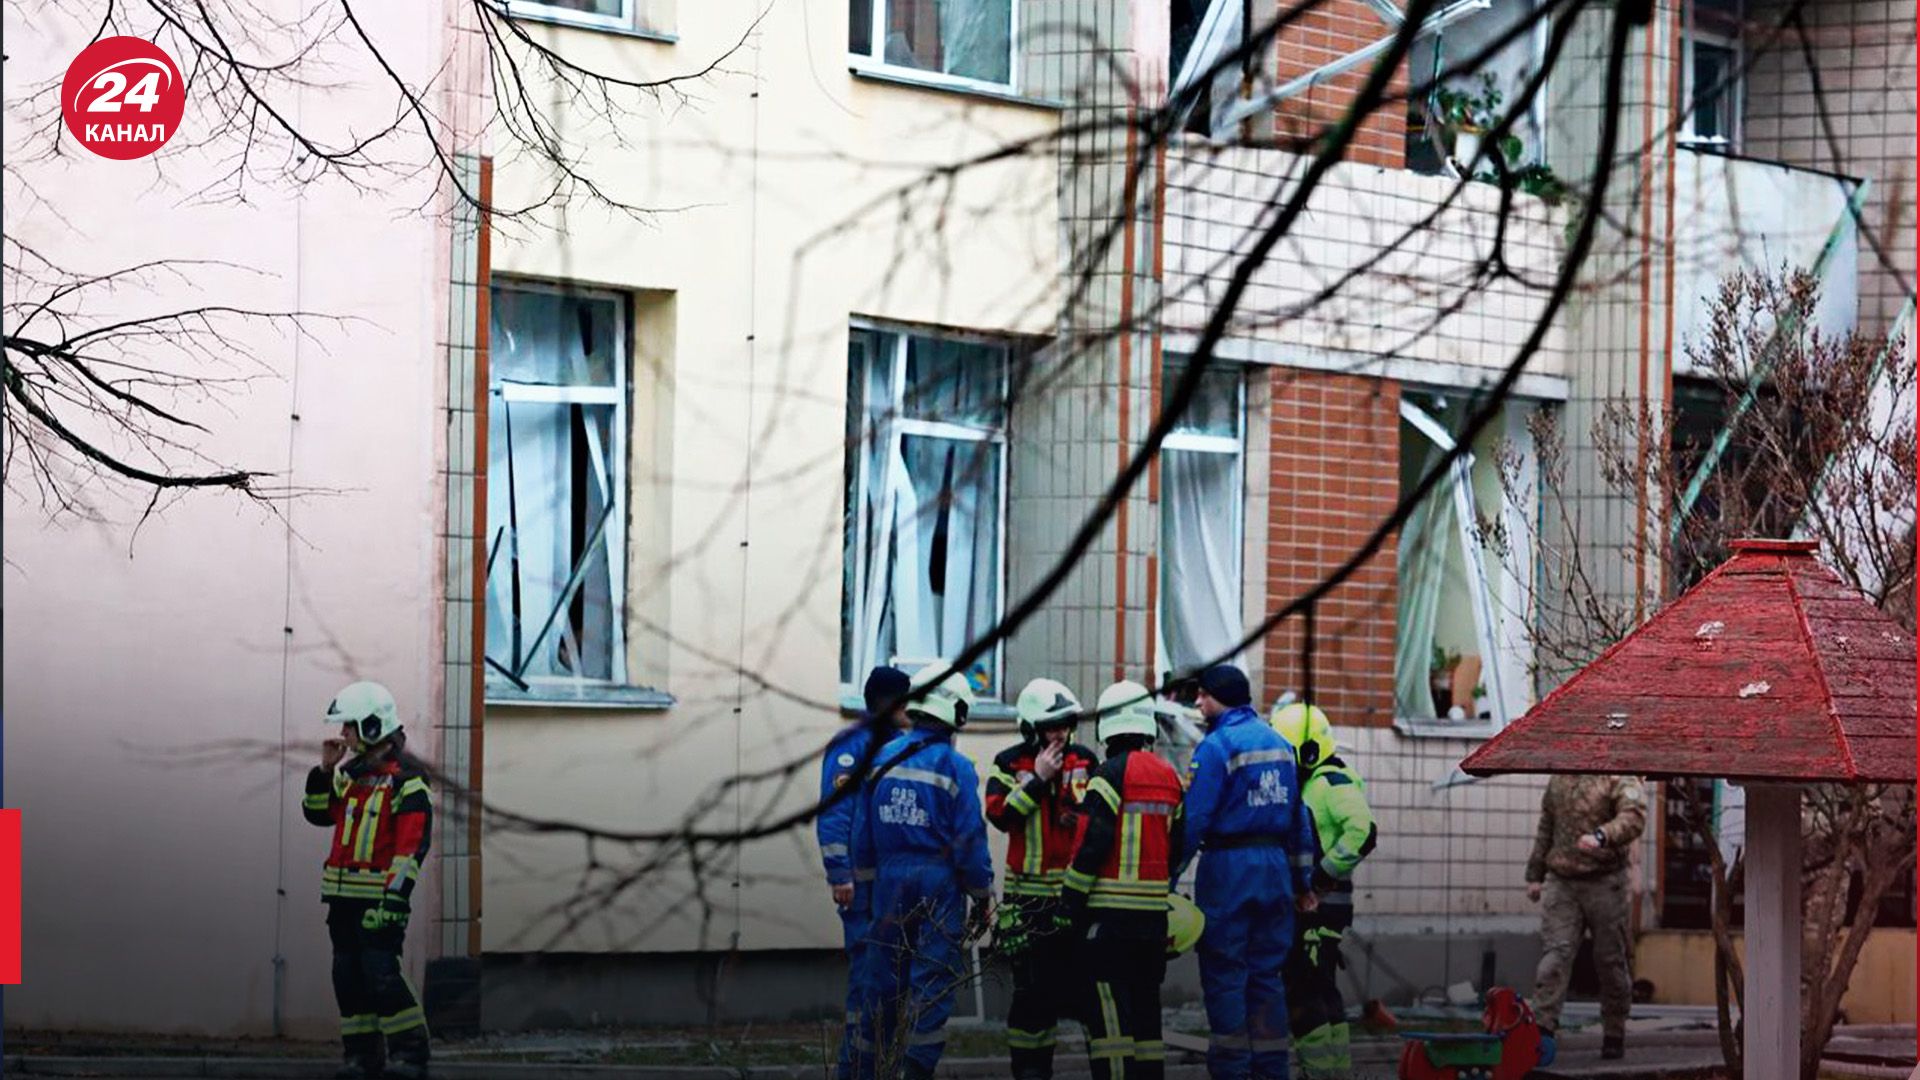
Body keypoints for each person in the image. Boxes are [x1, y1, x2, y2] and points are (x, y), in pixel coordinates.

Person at [1172, 664, 1317, 1080]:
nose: (1197, 703)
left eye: (1202, 695)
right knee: (1267, 975)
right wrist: (1302, 883)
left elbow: (1194, 821)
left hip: (1228, 870)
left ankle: (1233, 1070)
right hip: (1274, 872)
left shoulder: (1216, 747)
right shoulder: (1280, 745)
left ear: (1221, 696)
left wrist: (1166, 878)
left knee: (1225, 973)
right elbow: (1298, 822)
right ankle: (1272, 1070)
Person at [851, 667, 995, 1080]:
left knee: (881, 988)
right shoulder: (956, 767)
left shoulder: (879, 759)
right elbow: (970, 841)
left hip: (888, 884)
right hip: (939, 885)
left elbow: (862, 836)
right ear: (957, 712)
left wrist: (865, 898)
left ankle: (867, 1072)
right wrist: (982, 894)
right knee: (929, 990)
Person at [301, 681, 433, 1080]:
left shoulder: (407, 779)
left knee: (381, 976)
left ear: (373, 727)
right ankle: (361, 1057)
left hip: (379, 901)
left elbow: (410, 849)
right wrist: (324, 771)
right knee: (348, 977)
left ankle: (411, 1055)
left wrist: (394, 901)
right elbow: (318, 813)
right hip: (341, 900)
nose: (343, 735)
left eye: (349, 727)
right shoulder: (349, 775)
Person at [1056, 680, 1186, 1080]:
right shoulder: (1171, 777)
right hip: (1153, 922)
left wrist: (1069, 905)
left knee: (1110, 1021)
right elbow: (1177, 849)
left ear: (1106, 727)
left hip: (1108, 923)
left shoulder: (1107, 776)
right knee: (1147, 1017)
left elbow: (1091, 847)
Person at [984, 678, 1099, 1080]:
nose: (1060, 734)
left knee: (1087, 997)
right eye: (1052, 726)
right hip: (1028, 903)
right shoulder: (1008, 762)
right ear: (1030, 727)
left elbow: (1097, 824)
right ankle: (1031, 1073)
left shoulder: (1085, 761)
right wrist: (1036, 779)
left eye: (1066, 725)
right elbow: (999, 816)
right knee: (1033, 999)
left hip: (1073, 900)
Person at [1271, 702, 1377, 1080]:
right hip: (1323, 907)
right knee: (1323, 990)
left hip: (1319, 907)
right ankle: (1335, 1072)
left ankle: (1318, 1072)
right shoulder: (1319, 781)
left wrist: (1319, 876)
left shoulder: (1330, 783)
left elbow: (1363, 832)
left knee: (1304, 994)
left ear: (1307, 750)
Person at [821, 666, 911, 1080]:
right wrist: (840, 874)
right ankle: (854, 1072)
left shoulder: (901, 746)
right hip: (862, 891)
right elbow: (835, 814)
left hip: (894, 891)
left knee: (893, 991)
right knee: (866, 991)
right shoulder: (852, 747)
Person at [1524, 773, 1648, 1060]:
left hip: (1606, 881)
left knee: (1609, 960)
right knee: (1556, 954)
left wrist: (1602, 836)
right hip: (1563, 880)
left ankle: (1614, 1030)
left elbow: (1634, 816)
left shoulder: (1617, 776)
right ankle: (1542, 1030)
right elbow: (1547, 825)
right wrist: (1535, 874)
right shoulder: (1559, 780)